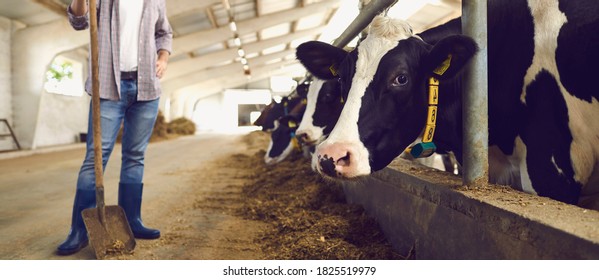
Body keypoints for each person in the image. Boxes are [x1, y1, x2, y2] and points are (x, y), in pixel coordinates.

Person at [57, 0, 173, 255]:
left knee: (135, 156)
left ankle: (132, 220)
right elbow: (79, 21)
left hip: (147, 88)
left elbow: (164, 32)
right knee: (95, 158)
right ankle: (79, 230)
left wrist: (163, 57)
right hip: (109, 85)